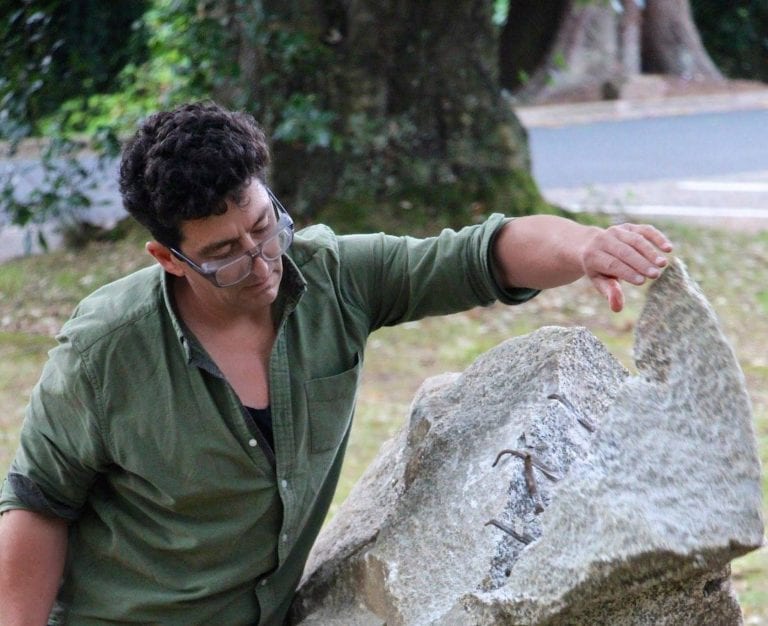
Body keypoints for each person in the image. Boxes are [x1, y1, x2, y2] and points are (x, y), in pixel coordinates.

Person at [0, 101, 672, 626]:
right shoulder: (106, 346)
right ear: (169, 258)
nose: (261, 260)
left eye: (264, 226)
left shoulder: (331, 277)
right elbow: (39, 502)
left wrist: (586, 246)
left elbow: (482, 255)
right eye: (226, 252)